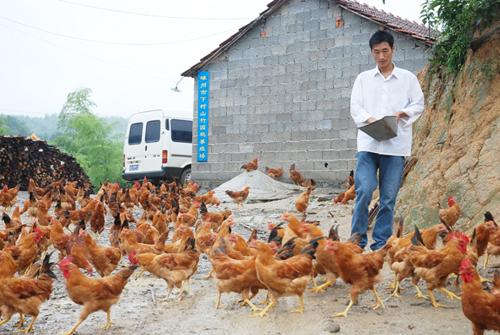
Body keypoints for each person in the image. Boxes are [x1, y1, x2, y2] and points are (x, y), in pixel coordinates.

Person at [349, 30, 424, 250]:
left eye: (385, 51)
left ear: (392, 50)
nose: (381, 56)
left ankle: (380, 245)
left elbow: (418, 104)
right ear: (371, 53)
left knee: (388, 198)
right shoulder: (363, 79)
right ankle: (357, 241)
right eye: (376, 52)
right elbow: (356, 107)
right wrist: (371, 119)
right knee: (363, 191)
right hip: (368, 144)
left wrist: (402, 113)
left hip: (395, 146)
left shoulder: (408, 79)